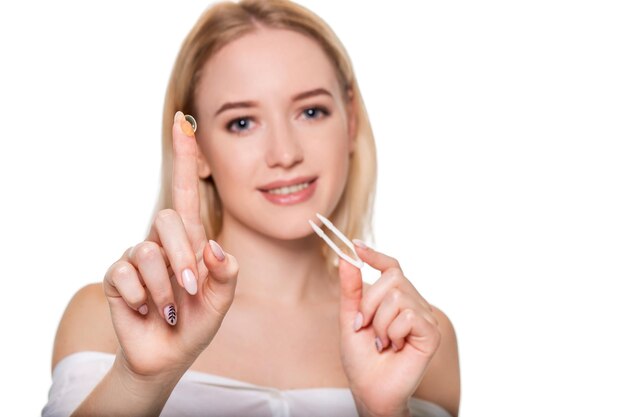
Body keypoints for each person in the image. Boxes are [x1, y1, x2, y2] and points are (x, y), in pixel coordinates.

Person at [43, 0, 460, 416]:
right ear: (197, 147)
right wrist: (142, 380)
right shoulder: (109, 320)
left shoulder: (416, 336)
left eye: (311, 111)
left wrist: (382, 411)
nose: (285, 153)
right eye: (241, 122)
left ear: (350, 122)